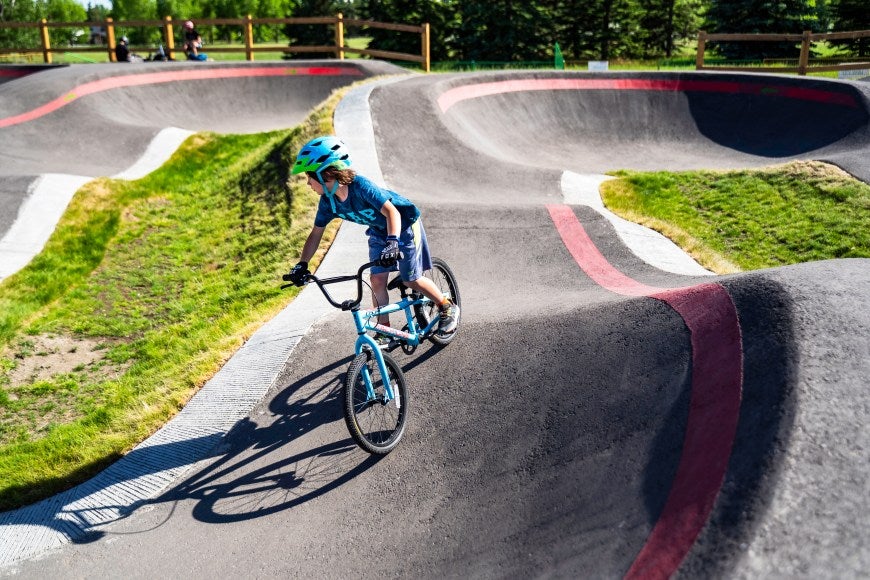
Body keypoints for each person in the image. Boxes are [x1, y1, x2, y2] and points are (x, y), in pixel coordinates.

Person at [286, 136, 460, 342]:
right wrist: (302, 265)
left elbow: (392, 213)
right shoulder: (328, 203)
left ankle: (446, 306)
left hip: (402, 226)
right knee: (376, 280)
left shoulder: (360, 186)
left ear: (325, 175)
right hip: (378, 232)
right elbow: (316, 234)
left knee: (411, 279)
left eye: (309, 177)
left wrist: (393, 242)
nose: (308, 183)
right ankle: (384, 331)